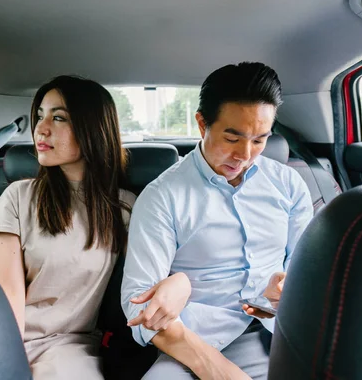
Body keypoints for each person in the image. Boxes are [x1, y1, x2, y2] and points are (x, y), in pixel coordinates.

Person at [0, 75, 191, 379]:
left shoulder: (125, 207)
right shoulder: (18, 196)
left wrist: (181, 281)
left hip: (69, 347)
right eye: (39, 116)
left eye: (59, 117)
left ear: (92, 129)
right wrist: (3, 361)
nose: (41, 127)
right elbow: (9, 294)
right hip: (7, 338)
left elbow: (152, 276)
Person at [121, 62, 314, 379]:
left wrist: (294, 285)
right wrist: (217, 369)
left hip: (283, 332)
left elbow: (306, 269)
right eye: (232, 138)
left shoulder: (289, 185)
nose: (245, 154)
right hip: (193, 341)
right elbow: (139, 308)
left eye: (259, 139)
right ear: (202, 124)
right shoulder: (162, 197)